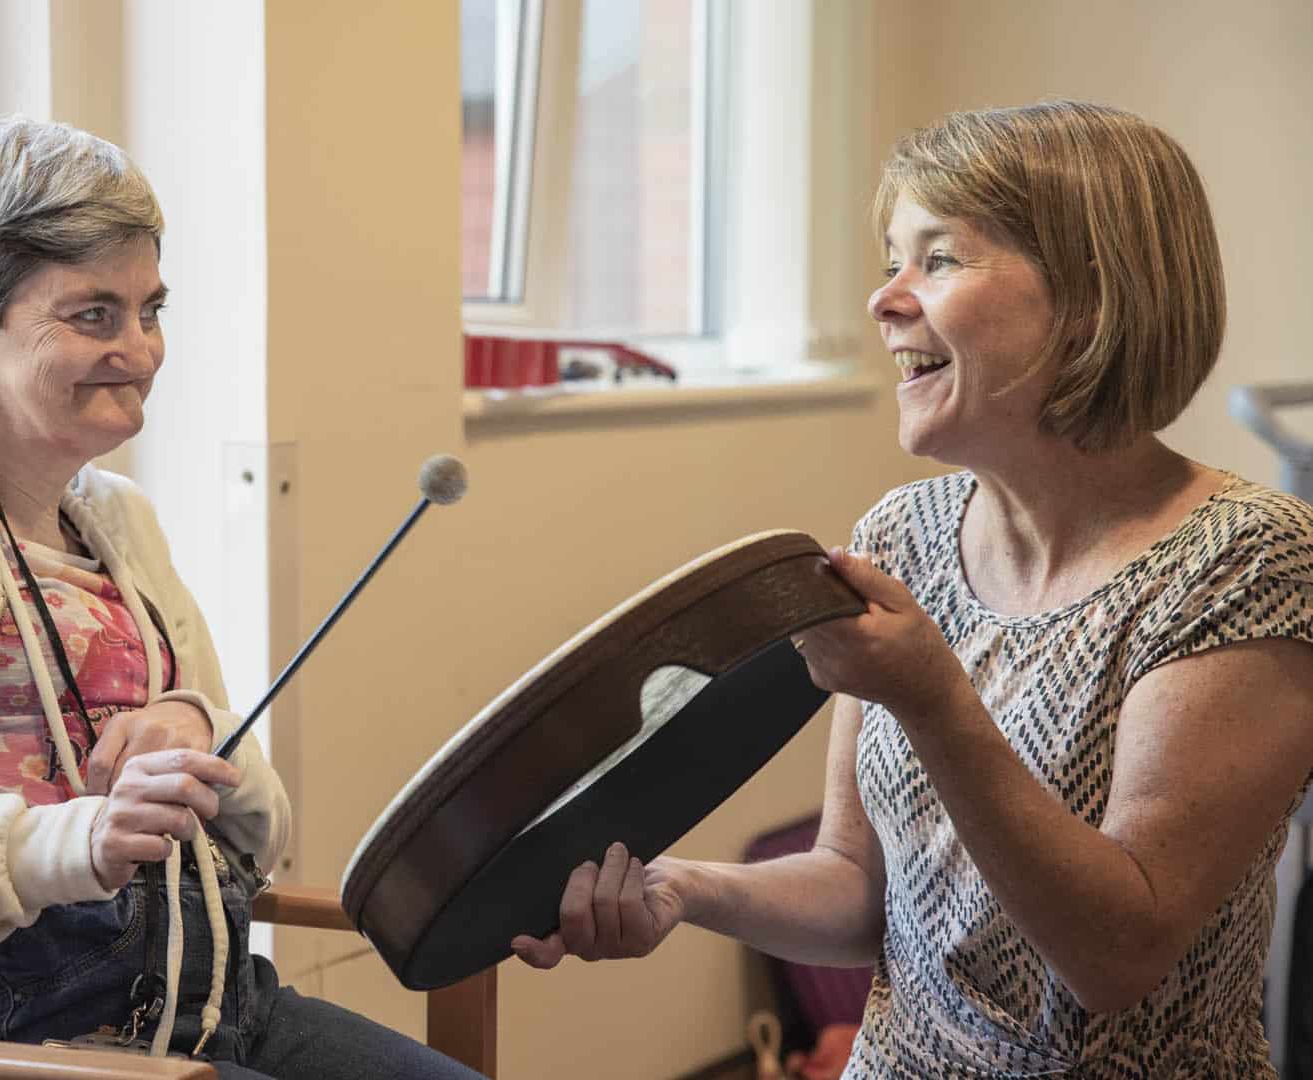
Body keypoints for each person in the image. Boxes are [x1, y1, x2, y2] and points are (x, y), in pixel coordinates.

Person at [513, 100, 1313, 1076]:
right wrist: (684, 890)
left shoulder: (1248, 560)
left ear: (1095, 298)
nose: (884, 299)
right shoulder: (903, 534)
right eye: (890, 259)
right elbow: (859, 888)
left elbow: (1118, 955)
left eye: (936, 259)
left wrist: (933, 700)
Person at [0, 116, 480, 1079]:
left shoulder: (118, 521)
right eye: (93, 315)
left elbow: (264, 832)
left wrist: (195, 729)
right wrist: (70, 839)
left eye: (150, 309)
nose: (143, 350)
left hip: (214, 1003)